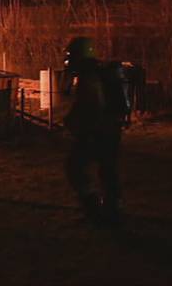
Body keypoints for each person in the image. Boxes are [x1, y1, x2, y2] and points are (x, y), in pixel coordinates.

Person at [62, 36, 125, 224]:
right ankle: (111, 209)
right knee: (107, 170)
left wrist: (74, 123)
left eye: (70, 56)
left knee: (75, 167)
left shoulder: (88, 77)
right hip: (111, 129)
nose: (68, 60)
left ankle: (94, 207)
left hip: (96, 131)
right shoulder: (98, 73)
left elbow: (90, 105)